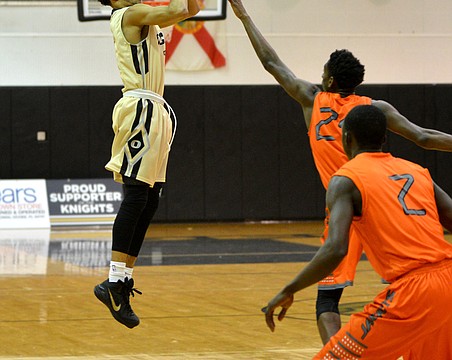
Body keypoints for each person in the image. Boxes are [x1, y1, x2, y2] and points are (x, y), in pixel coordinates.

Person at [228, 0, 452, 344]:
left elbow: (272, 63)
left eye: (322, 72)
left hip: (347, 205)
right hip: (383, 205)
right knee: (409, 278)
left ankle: (338, 352)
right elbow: (424, 137)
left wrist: (243, 16)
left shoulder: (311, 98)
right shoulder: (375, 108)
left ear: (329, 78)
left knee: (327, 299)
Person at [263, 104, 452, 359]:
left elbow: (336, 248)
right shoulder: (417, 171)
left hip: (415, 291)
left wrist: (290, 288)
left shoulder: (345, 179)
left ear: (346, 137)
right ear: (385, 138)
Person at [93, 0, 200, 328]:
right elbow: (177, 11)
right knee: (137, 195)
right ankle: (112, 281)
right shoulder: (129, 14)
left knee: (149, 199)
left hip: (155, 110)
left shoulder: (141, 16)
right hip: (140, 107)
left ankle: (122, 280)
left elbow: (191, 8)